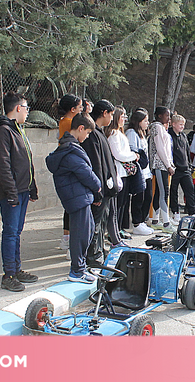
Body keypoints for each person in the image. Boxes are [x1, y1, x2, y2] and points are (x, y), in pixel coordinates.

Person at [0, 91, 39, 292]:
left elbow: (27, 160)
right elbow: (2, 165)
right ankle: (8, 274)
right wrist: (10, 192)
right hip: (12, 191)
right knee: (10, 232)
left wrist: (32, 187)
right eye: (26, 108)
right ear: (18, 108)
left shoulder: (18, 130)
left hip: (23, 190)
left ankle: (16, 269)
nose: (27, 112)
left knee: (16, 232)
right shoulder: (3, 131)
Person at [46, 113, 101, 283]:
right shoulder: (70, 149)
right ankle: (77, 271)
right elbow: (86, 173)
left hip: (79, 196)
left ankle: (81, 267)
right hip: (77, 197)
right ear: (81, 128)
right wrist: (97, 186)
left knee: (87, 230)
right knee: (80, 234)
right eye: (88, 133)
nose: (88, 136)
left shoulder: (69, 146)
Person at [83, 99, 119, 264]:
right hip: (99, 189)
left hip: (107, 189)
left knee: (102, 222)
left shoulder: (100, 133)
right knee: (95, 224)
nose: (112, 118)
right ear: (104, 113)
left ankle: (99, 249)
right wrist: (97, 191)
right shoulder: (93, 136)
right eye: (111, 114)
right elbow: (96, 166)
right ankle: (93, 255)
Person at [55, 94, 88, 253]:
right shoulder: (69, 123)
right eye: (80, 107)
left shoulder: (63, 121)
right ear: (73, 109)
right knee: (73, 207)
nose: (82, 110)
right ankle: (70, 242)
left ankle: (66, 238)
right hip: (71, 165)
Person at [106, 107, 138, 242]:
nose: (124, 119)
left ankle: (119, 228)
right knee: (118, 204)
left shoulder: (119, 132)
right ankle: (114, 231)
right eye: (122, 116)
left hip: (124, 173)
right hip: (118, 172)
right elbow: (118, 154)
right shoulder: (113, 134)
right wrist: (133, 155)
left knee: (123, 203)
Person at [126, 109, 154, 236]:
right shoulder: (132, 133)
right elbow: (133, 151)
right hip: (139, 171)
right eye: (145, 121)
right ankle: (137, 222)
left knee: (148, 196)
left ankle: (142, 220)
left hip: (146, 171)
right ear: (138, 121)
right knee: (139, 197)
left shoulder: (142, 133)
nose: (147, 123)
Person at [148, 106, 177, 232]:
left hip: (164, 164)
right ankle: (166, 223)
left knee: (160, 192)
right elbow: (160, 149)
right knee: (164, 192)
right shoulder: (157, 127)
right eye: (167, 115)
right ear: (160, 115)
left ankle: (155, 219)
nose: (169, 118)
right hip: (159, 164)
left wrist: (170, 163)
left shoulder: (162, 128)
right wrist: (168, 165)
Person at [169, 114, 195, 219]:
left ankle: (192, 212)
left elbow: (187, 152)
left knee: (190, 190)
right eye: (180, 124)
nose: (182, 126)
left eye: (183, 125)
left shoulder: (183, 136)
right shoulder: (169, 135)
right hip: (175, 170)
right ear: (173, 124)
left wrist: (189, 166)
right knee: (173, 192)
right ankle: (175, 212)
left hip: (186, 169)